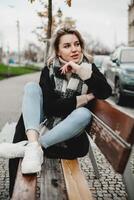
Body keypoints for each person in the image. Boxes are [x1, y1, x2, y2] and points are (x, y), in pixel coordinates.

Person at [0, 27, 112, 197]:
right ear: (58, 51)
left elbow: (105, 92)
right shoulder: (49, 69)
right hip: (45, 124)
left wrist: (80, 71)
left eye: (76, 44)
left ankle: (33, 147)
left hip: (69, 137)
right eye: (67, 46)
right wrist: (85, 98)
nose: (74, 49)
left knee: (84, 114)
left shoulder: (89, 69)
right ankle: (31, 149)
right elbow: (50, 107)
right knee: (31, 88)